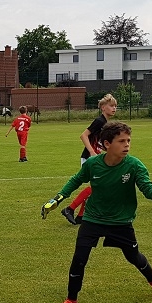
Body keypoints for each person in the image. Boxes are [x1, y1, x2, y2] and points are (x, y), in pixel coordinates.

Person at [41, 121, 152, 303]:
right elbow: (76, 180)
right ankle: (71, 302)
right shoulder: (93, 164)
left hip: (120, 222)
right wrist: (58, 198)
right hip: (93, 219)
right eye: (121, 141)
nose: (127, 145)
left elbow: (149, 191)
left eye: (128, 140)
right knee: (79, 259)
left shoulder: (134, 165)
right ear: (107, 144)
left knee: (134, 257)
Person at [61, 94, 118, 225]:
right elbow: (84, 135)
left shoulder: (105, 123)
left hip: (95, 158)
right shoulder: (99, 121)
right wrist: (92, 152)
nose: (114, 108)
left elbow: (98, 143)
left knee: (97, 188)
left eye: (115, 106)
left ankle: (80, 216)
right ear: (103, 108)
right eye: (111, 106)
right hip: (89, 158)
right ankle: (69, 209)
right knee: (97, 187)